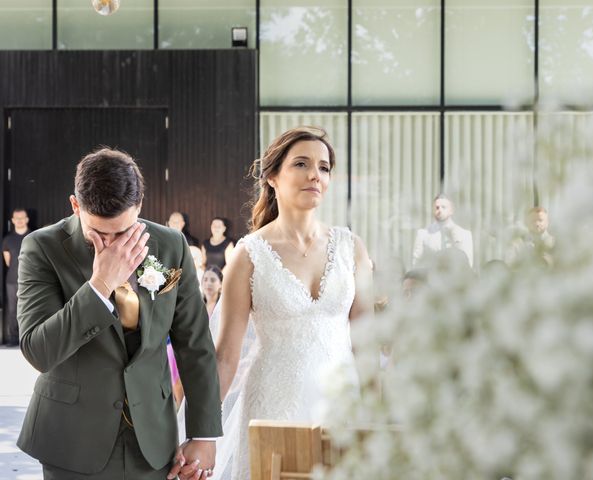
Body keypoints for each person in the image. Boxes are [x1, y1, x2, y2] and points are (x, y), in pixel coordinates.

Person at [16, 148, 221, 480]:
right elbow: (39, 351)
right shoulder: (42, 247)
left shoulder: (171, 246)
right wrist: (100, 284)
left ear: (139, 206)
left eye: (122, 232)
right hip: (71, 442)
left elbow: (195, 345)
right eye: (99, 232)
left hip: (154, 443)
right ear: (75, 206)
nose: (111, 243)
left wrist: (203, 435)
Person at [212, 126, 373, 479]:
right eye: (301, 164)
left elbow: (367, 344)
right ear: (272, 176)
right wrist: (204, 433)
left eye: (324, 167)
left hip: (341, 406)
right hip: (273, 404)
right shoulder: (248, 254)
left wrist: (377, 416)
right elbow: (225, 356)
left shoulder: (351, 247)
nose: (315, 174)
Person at [412, 194, 474, 268]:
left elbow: (468, 264)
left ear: (451, 211)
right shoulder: (423, 234)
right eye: (437, 208)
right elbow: (416, 263)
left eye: (443, 207)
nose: (440, 210)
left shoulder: (464, 235)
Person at [2, 207, 30, 345]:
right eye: (16, 218)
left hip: (31, 280)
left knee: (30, 308)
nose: (19, 220)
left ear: (27, 219)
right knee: (13, 309)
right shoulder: (7, 240)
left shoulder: (33, 236)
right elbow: (8, 262)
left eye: (22, 218)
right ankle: (14, 338)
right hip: (12, 280)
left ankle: (29, 339)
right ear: (13, 220)